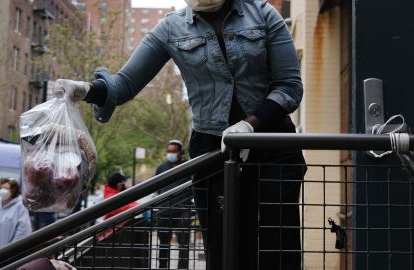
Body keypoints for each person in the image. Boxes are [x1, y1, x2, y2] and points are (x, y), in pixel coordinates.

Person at [54, 0, 306, 269]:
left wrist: (250, 126)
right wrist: (86, 90)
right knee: (224, 250)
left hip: (271, 144)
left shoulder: (264, 14)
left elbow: (289, 86)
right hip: (212, 151)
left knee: (276, 247)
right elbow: (124, 85)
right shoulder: (171, 28)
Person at [155, 140, 191, 269]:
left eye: (173, 151)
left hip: (183, 211)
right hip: (164, 211)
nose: (170, 154)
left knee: (183, 245)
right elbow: (158, 188)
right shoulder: (161, 167)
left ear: (180, 153)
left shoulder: (189, 166)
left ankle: (182, 268)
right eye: (168, 151)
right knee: (163, 244)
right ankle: (163, 267)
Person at [0, 177, 32, 251]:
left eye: (6, 188)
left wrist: (12, 249)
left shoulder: (20, 206)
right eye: (2, 188)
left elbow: (24, 230)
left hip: (12, 254)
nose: (3, 190)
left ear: (13, 191)